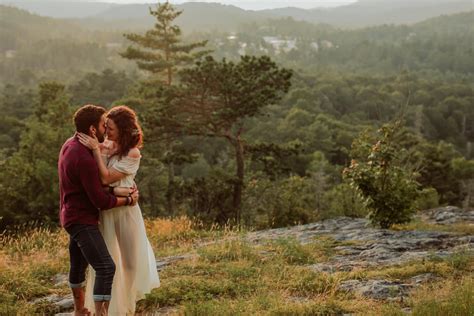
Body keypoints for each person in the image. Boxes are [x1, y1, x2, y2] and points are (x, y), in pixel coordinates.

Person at [78, 105, 160, 315]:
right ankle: (108, 308)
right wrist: (120, 191)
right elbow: (99, 184)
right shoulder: (106, 145)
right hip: (108, 211)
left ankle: (127, 306)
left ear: (123, 129)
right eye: (105, 126)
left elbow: (105, 178)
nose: (107, 131)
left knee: (130, 262)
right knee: (108, 262)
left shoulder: (133, 153)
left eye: (111, 128)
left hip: (126, 212)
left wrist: (96, 150)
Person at [59, 104, 139, 316]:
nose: (106, 128)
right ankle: (100, 313)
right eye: (104, 124)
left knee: (78, 264)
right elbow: (100, 200)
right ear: (93, 130)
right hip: (82, 219)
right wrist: (128, 198)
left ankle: (78, 310)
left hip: (69, 214)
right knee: (106, 267)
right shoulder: (85, 157)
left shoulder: (70, 144)